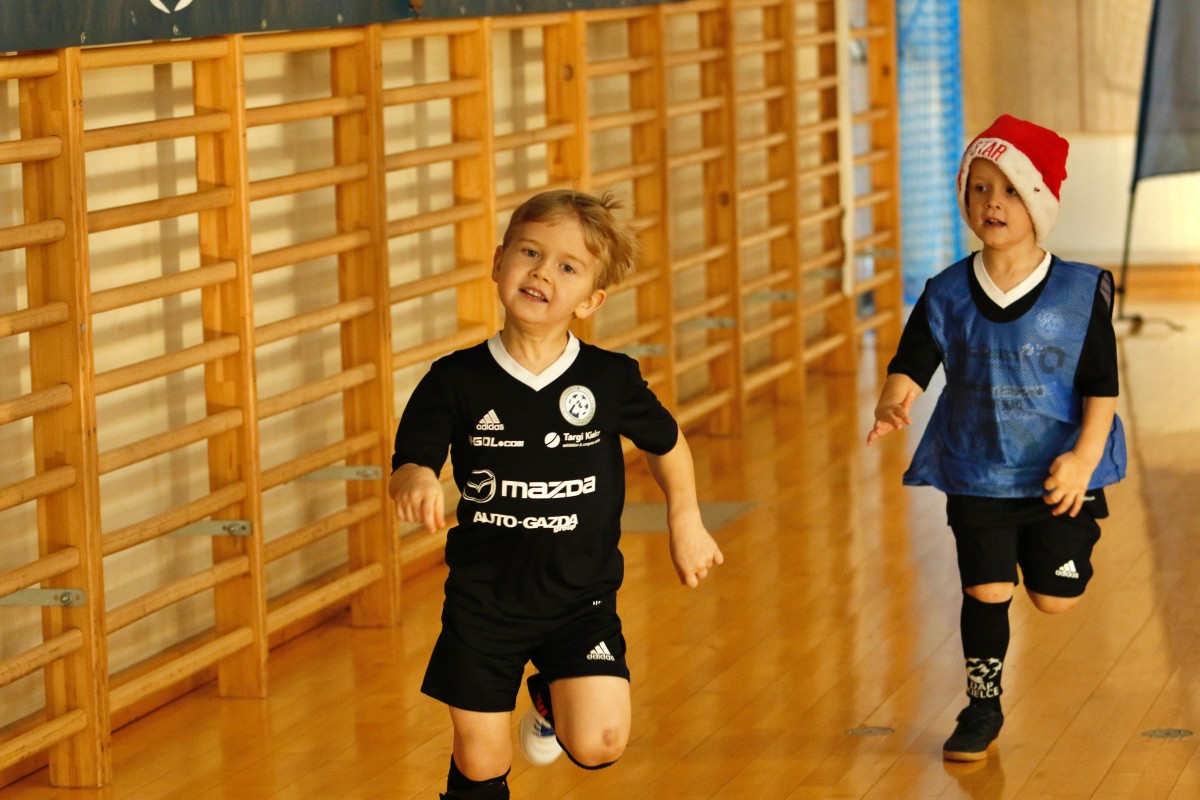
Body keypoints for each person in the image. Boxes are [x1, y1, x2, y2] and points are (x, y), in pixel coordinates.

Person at [389, 189, 724, 799]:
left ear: (591, 299)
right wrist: (415, 478)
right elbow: (412, 459)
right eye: (530, 253)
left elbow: (668, 443)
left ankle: (549, 700)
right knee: (482, 758)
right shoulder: (454, 380)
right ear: (498, 262)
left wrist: (686, 521)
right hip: (484, 604)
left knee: (601, 743)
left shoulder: (608, 378)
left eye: (567, 267)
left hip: (579, 601)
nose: (542, 271)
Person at [866, 115, 1126, 762]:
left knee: (1053, 599)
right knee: (985, 590)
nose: (993, 203)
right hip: (977, 468)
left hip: (1057, 473)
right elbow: (912, 362)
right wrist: (894, 399)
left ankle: (1071, 534)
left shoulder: (1078, 292)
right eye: (979, 188)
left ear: (1038, 202)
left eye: (1009, 190)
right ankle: (981, 705)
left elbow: (1102, 387)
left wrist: (1084, 459)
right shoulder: (946, 293)